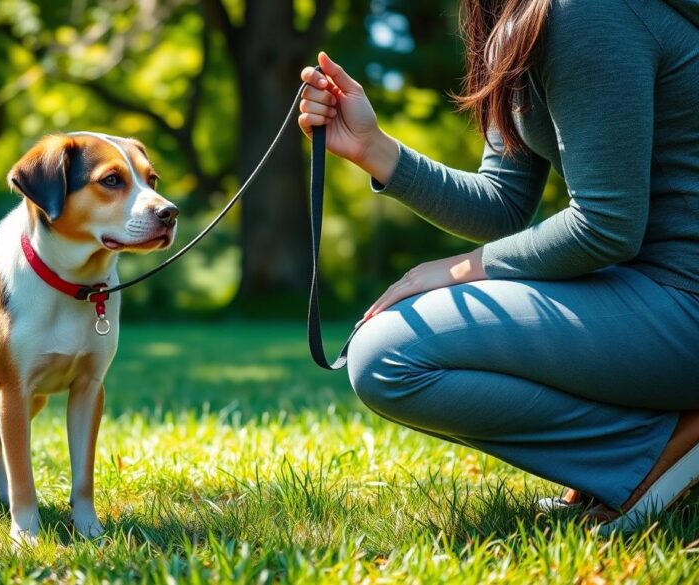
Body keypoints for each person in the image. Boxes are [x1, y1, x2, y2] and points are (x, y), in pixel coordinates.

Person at [297, 0, 699, 533]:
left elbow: (606, 225)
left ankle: (652, 452)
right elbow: (502, 203)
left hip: (683, 298)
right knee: (383, 351)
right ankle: (656, 438)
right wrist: (373, 149)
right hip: (650, 293)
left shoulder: (587, 13)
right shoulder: (519, 18)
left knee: (390, 355)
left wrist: (461, 268)